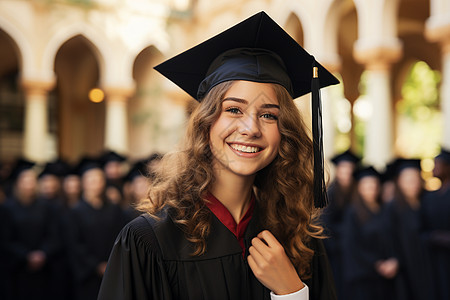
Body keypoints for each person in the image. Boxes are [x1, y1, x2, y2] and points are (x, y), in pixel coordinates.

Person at [98, 11, 338, 300]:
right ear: (206, 122)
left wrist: (292, 293)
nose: (250, 128)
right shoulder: (149, 242)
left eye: (269, 115)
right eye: (234, 109)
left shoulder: (300, 239)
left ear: (284, 133)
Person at [67, 161, 127, 300]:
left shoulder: (114, 209)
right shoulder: (76, 212)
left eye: (99, 179)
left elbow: (121, 237)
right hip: (87, 274)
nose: (96, 183)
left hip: (112, 268)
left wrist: (111, 263)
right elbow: (75, 244)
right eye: (92, 179)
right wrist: (96, 266)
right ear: (83, 183)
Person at [2, 159, 60, 300]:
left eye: (32, 181)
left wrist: (42, 253)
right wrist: (26, 256)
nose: (29, 185)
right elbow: (5, 239)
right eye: (25, 181)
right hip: (17, 269)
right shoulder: (7, 208)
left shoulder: (45, 207)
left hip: (43, 267)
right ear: (18, 183)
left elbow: (53, 235)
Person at [341, 166, 399, 300]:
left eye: (374, 184)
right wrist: (377, 264)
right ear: (359, 187)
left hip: (385, 276)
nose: (371, 188)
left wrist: (394, 260)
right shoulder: (353, 213)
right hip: (364, 276)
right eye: (366, 185)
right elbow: (352, 245)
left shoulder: (384, 210)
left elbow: (393, 238)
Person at [385, 159, 434, 300]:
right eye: (407, 179)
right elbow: (389, 237)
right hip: (405, 266)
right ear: (399, 182)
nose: (412, 183)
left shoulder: (427, 203)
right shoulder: (392, 208)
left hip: (428, 264)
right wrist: (394, 258)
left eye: (415, 178)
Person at [322, 150, 360, 300]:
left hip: (355, 248)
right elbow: (325, 224)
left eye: (349, 170)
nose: (346, 173)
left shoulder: (357, 192)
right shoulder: (330, 193)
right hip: (337, 249)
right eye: (343, 169)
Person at [421, 148, 450, 300]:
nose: (433, 168)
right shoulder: (429, 197)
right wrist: (433, 236)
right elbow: (422, 227)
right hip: (434, 258)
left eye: (438, 164)